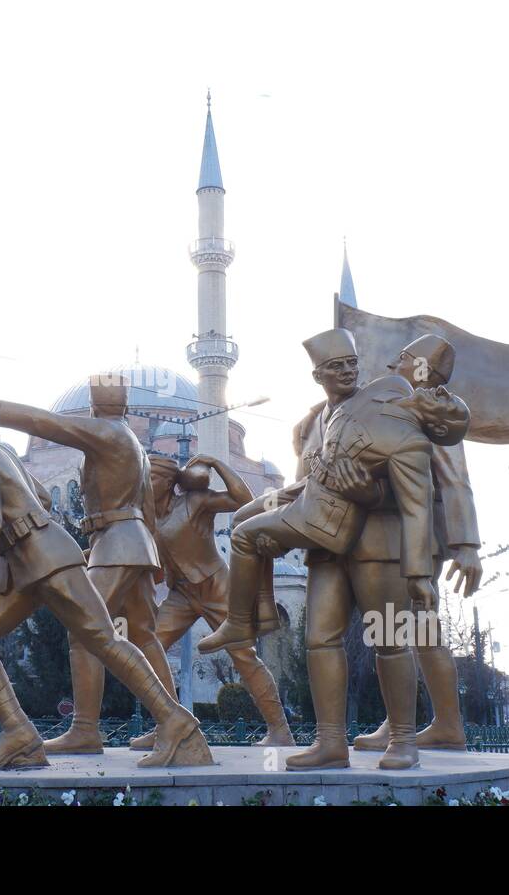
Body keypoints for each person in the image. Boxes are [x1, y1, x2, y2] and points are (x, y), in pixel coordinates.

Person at [199, 328, 471, 771]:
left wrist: (428, 561)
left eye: (351, 364)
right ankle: (330, 743)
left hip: (380, 547)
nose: (348, 371)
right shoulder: (316, 422)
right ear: (319, 374)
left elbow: (422, 496)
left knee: (390, 639)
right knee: (318, 639)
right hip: (324, 544)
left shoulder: (402, 415)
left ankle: (403, 740)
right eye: (336, 366)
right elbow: (308, 483)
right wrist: (267, 511)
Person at [0, 394, 211, 769]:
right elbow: (41, 498)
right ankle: (20, 735)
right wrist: (2, 553)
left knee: (101, 638)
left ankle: (175, 723)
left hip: (46, 560)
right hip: (26, 562)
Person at [0, 375, 171, 755]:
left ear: (93, 407)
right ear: (123, 406)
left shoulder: (108, 433)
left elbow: (53, 424)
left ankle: (86, 730)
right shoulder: (132, 442)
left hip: (118, 542)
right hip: (130, 544)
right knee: (142, 635)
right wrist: (152, 557)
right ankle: (167, 723)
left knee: (85, 629)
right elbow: (150, 507)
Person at [349, 335, 482, 754]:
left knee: (403, 629)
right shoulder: (401, 405)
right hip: (407, 534)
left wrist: (466, 545)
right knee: (413, 630)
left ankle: (435, 725)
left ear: (425, 370)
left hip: (418, 537)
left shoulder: (431, 407)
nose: (393, 364)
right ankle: (419, 722)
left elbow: (456, 478)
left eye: (404, 358)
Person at [129, 453, 295, 750]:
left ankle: (280, 730)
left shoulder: (195, 502)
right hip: (181, 594)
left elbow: (243, 500)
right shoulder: (146, 517)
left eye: (151, 477)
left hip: (218, 588)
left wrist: (217, 463)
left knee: (244, 657)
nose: (145, 482)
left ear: (169, 482)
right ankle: (168, 724)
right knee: (148, 647)